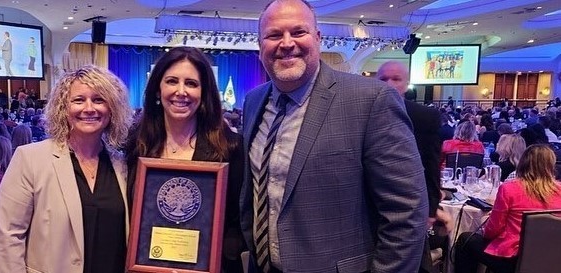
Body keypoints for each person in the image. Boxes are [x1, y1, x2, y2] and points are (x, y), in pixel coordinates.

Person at [240, 1, 428, 272]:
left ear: (318, 38)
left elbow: (406, 214)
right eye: (273, 35)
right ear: (260, 46)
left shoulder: (370, 100)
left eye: (298, 32)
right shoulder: (254, 101)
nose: (286, 43)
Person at [0, 65, 132, 272]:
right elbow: (8, 236)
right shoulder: (30, 159)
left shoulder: (123, 165)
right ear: (63, 108)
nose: (89, 108)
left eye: (99, 99)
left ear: (113, 109)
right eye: (78, 100)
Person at [125, 46, 245, 272]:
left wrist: (209, 255)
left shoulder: (231, 148)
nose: (181, 91)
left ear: (204, 92)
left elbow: (238, 222)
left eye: (191, 83)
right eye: (171, 81)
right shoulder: (135, 145)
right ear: (157, 90)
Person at [377, 61, 445, 273]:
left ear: (406, 84)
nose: (389, 84)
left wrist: (431, 210)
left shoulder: (425, 117)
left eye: (395, 79)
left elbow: (431, 165)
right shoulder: (360, 114)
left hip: (411, 206)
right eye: (383, 79)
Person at [455, 144, 561, 273]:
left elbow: (492, 231)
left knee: (466, 240)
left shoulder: (509, 189)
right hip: (551, 256)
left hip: (512, 259)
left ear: (523, 162)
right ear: (551, 165)